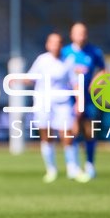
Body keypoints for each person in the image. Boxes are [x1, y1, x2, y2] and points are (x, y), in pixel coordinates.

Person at [25, 32, 81, 182]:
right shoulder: (42, 60)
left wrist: (78, 102)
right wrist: (16, 79)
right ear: (48, 45)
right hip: (44, 103)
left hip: (62, 103)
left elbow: (75, 83)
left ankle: (73, 169)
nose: (56, 46)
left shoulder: (68, 61)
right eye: (53, 43)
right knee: (46, 136)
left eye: (59, 43)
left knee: (67, 135)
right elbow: (31, 78)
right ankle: (51, 169)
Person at [61, 22, 105, 181]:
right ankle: (71, 165)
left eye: (84, 32)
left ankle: (89, 164)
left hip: (88, 98)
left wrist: (95, 84)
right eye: (78, 32)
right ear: (72, 35)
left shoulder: (94, 52)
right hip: (69, 98)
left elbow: (103, 70)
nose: (81, 35)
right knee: (70, 130)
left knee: (89, 130)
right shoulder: (64, 52)